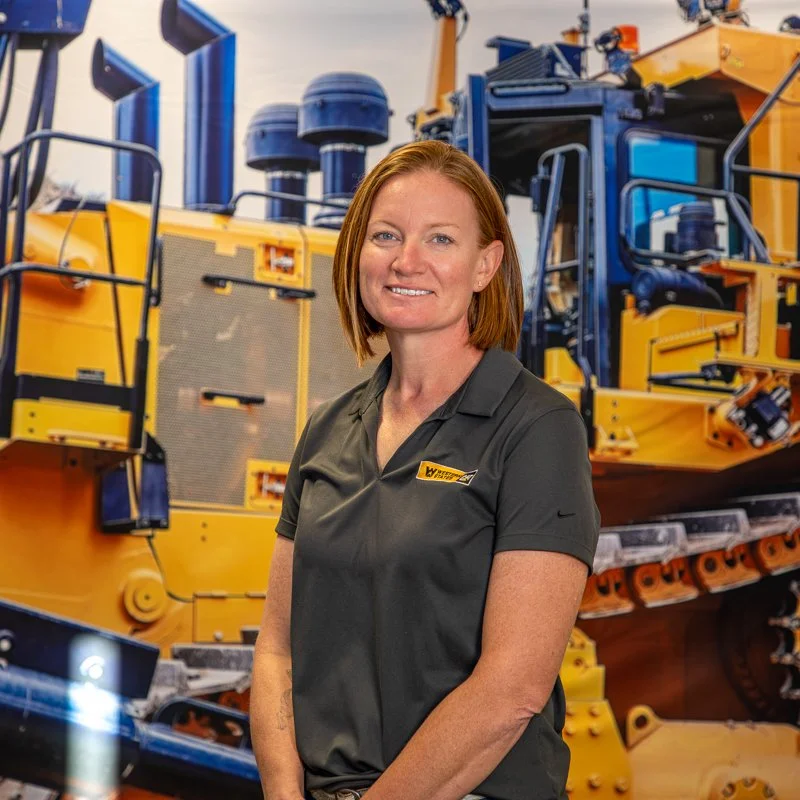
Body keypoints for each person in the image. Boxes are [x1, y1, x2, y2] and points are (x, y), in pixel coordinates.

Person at [250, 139, 601, 800]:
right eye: (385, 235)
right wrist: (283, 793)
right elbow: (277, 649)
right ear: (358, 251)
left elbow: (513, 689)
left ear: (484, 264)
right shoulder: (329, 429)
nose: (406, 260)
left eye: (441, 239)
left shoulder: (536, 429)